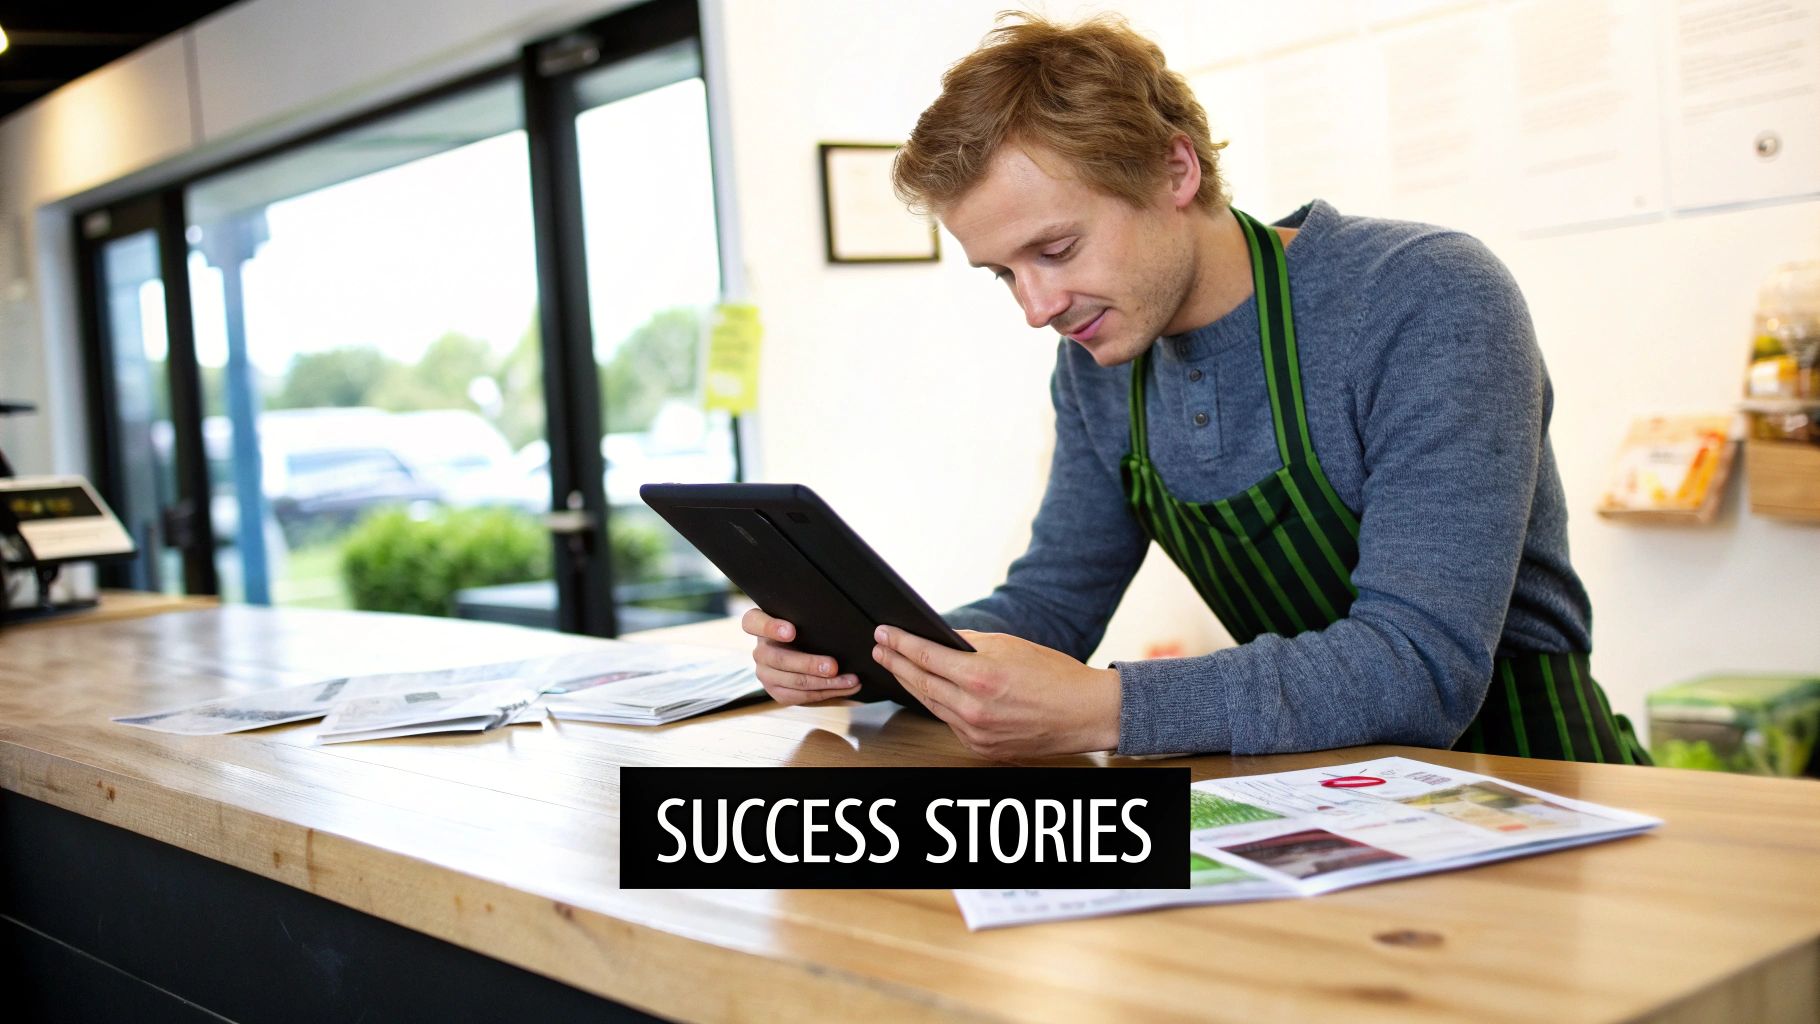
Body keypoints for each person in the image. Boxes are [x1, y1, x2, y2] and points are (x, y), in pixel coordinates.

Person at [741, 12, 1649, 766]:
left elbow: (1417, 668)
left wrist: (1108, 708)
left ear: (1175, 169)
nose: (1036, 306)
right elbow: (1053, 604)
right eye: (1003, 274)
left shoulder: (1425, 296)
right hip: (1320, 801)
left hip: (1534, 786)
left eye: (1055, 251)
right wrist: (874, 653)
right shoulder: (1098, 359)